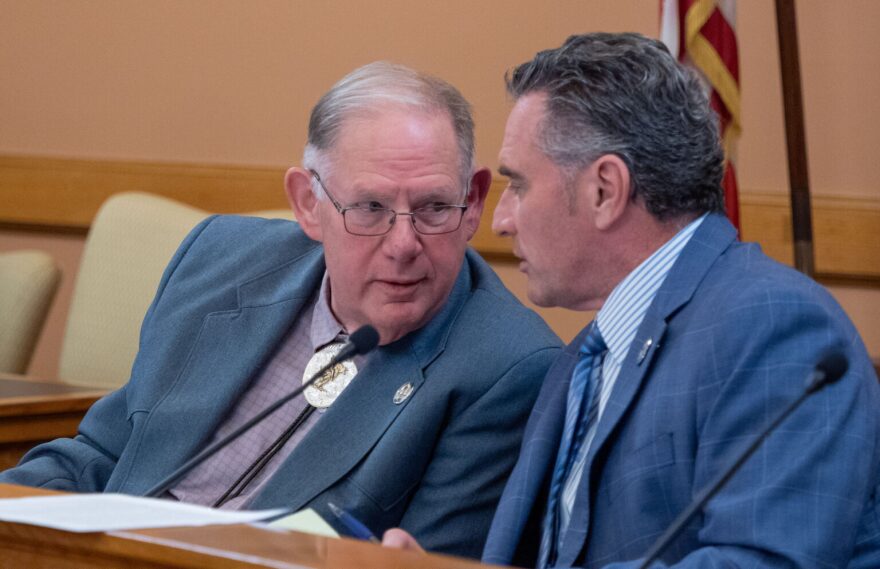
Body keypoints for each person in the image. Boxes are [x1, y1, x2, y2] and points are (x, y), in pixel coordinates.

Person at [0, 62, 562, 559]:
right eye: (369, 207)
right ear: (308, 203)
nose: (403, 242)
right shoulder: (219, 261)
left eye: (435, 207)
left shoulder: (507, 369)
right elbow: (101, 455)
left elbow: (420, 559)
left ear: (474, 204)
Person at [384, 33, 880, 567]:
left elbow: (762, 563)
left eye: (520, 186)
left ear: (605, 190)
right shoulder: (580, 358)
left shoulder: (775, 326)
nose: (501, 222)